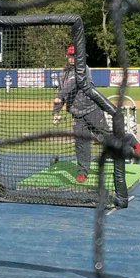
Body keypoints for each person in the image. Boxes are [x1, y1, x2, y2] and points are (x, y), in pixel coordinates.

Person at [52, 44, 112, 184]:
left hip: (92, 109)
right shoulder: (63, 74)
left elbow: (75, 84)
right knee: (81, 142)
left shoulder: (84, 69)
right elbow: (62, 93)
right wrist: (56, 112)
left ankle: (129, 142)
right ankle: (82, 171)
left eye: (75, 56)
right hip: (77, 114)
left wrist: (60, 95)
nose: (72, 58)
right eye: (70, 55)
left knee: (106, 137)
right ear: (67, 56)